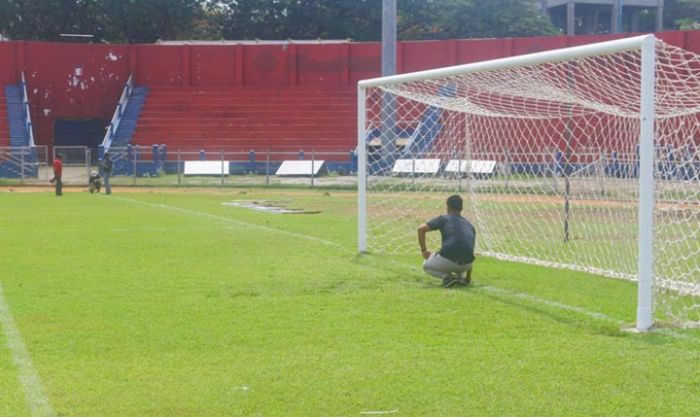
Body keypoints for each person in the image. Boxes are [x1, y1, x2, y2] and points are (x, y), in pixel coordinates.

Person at [417, 195, 476, 288]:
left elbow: (421, 229)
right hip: (466, 265)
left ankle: (447, 278)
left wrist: (424, 251)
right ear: (461, 208)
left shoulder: (444, 218)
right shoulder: (469, 225)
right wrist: (468, 278)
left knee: (426, 265)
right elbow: (469, 249)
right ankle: (459, 278)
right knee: (460, 263)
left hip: (449, 261)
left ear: (447, 207)